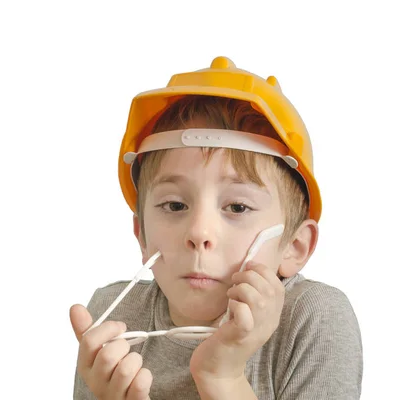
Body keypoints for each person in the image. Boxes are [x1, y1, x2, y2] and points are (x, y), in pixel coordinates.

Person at [69, 56, 363, 399]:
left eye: (237, 207)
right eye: (175, 205)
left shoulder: (313, 318)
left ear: (294, 246)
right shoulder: (114, 316)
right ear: (142, 235)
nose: (199, 233)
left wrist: (221, 377)